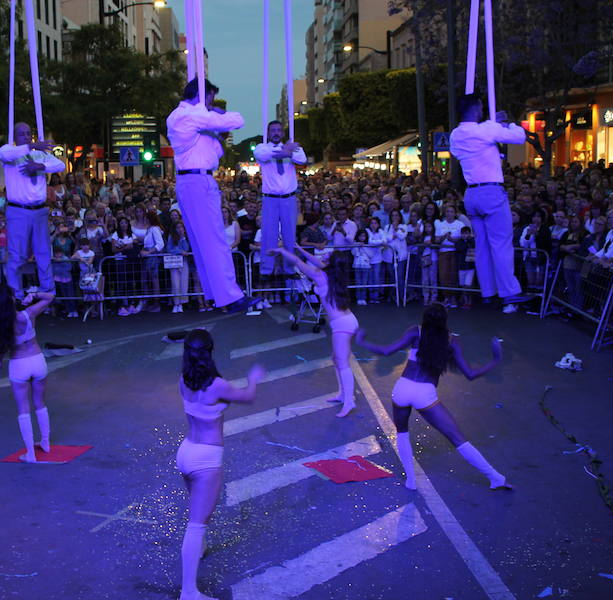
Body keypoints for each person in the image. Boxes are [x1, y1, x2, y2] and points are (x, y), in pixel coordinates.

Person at [353, 303, 511, 490]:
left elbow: (387, 351)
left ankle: (410, 480)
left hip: (402, 388)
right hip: (424, 394)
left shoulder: (415, 332)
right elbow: (470, 374)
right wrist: (495, 360)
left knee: (402, 432)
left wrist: (362, 342)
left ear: (425, 318)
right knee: (456, 437)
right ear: (444, 320)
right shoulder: (452, 341)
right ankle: (495, 477)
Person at [176, 329, 264, 600]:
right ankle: (189, 592)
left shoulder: (183, 380)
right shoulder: (216, 385)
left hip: (186, 452)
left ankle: (199, 550)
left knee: (201, 515)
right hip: (206, 459)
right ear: (210, 352)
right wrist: (253, 379)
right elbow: (247, 397)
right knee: (196, 525)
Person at [166, 78, 258, 313]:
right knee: (213, 241)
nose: (211, 103)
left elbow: (217, 151)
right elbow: (237, 120)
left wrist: (212, 127)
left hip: (200, 180)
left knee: (207, 242)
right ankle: (230, 296)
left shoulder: (195, 121)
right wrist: (217, 114)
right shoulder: (187, 115)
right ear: (200, 95)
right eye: (210, 98)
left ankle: (221, 295)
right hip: (194, 181)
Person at [449, 94, 529, 313]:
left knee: (483, 246)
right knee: (501, 245)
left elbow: (468, 144)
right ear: (476, 109)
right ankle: (509, 292)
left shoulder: (456, 135)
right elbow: (519, 136)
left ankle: (488, 291)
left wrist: (493, 124)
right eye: (481, 107)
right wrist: (507, 124)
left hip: (471, 194)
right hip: (491, 192)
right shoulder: (484, 130)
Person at [270, 247, 358, 417]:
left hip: (343, 324)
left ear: (331, 261)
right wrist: (297, 247)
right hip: (345, 321)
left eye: (328, 254)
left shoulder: (320, 275)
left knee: (342, 361)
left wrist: (281, 250)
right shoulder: (330, 272)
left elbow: (297, 262)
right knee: (337, 359)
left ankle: (349, 401)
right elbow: (313, 259)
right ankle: (342, 395)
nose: (325, 253)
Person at [0, 122, 66, 299]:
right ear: (14, 137)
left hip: (40, 211)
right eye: (22, 134)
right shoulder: (10, 151)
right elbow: (3, 154)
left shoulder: (39, 155)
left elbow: (60, 165)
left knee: (43, 253)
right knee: (17, 255)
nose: (27, 137)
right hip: (18, 211)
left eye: (29, 133)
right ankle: (16, 294)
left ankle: (47, 290)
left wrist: (40, 166)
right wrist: (31, 146)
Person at [0, 284, 55, 463]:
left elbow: (1, 347)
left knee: (23, 409)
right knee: (40, 403)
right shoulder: (27, 314)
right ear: (11, 299)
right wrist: (33, 294)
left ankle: (30, 454)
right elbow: (49, 297)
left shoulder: (0, 323)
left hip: (18, 364)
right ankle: (46, 443)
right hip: (37, 361)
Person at [254, 120, 306, 279]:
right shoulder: (262, 147)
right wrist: (286, 151)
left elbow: (302, 159)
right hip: (270, 199)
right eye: (273, 130)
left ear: (282, 133)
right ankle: (266, 269)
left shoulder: (294, 147)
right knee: (269, 233)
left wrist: (288, 152)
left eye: (278, 130)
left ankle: (289, 269)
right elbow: (261, 155)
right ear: (268, 133)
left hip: (289, 199)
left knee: (290, 234)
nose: (276, 133)